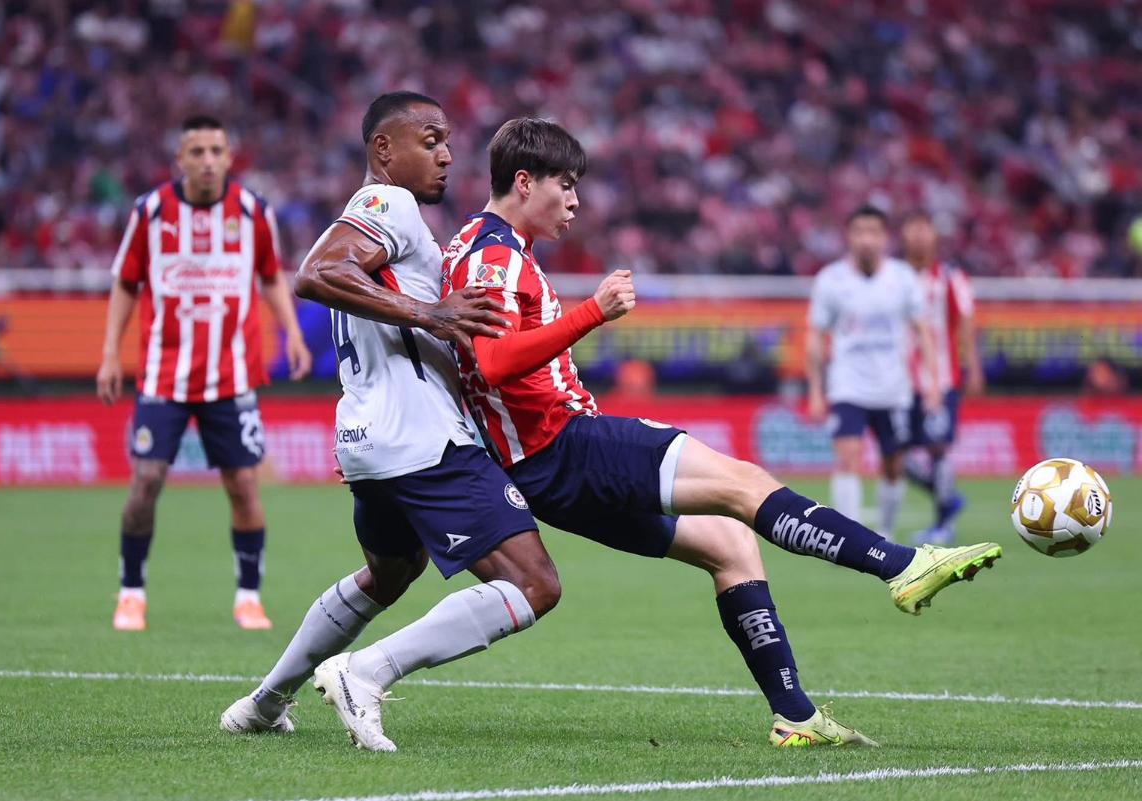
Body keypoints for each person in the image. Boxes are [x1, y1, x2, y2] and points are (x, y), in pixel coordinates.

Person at [307, 118, 1003, 752]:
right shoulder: (493, 254)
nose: (575, 200)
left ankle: (795, 714)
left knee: (729, 545)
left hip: (543, 465)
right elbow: (491, 361)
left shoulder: (492, 248)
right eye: (565, 184)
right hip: (561, 446)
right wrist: (592, 313)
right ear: (524, 182)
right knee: (745, 485)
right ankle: (900, 564)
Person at [220, 92, 567, 750]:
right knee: (532, 582)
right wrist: (430, 313)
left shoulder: (398, 225)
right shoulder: (388, 203)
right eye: (430, 140)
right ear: (384, 149)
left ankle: (264, 702)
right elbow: (317, 273)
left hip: (369, 440)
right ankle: (366, 673)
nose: (447, 154)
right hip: (421, 439)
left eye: (447, 142)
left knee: (390, 572)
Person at [96, 115, 312, 632]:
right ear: (181, 160)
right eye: (198, 152)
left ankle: (248, 597)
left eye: (217, 150)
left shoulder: (252, 211)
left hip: (232, 377)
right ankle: (131, 592)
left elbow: (270, 277)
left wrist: (291, 332)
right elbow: (126, 283)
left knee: (243, 485)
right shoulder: (150, 213)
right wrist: (109, 353)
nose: (208, 161)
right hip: (163, 376)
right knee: (146, 481)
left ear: (230, 157)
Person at [806, 205, 940, 542]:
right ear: (849, 237)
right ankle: (849, 540)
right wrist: (816, 390)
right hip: (848, 386)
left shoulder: (902, 278)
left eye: (873, 232)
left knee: (893, 465)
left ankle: (885, 533)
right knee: (847, 458)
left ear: (884, 238)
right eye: (859, 231)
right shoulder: (831, 280)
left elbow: (923, 330)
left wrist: (933, 382)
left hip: (893, 389)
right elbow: (815, 336)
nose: (866, 239)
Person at [900, 212, 984, 544]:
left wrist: (973, 367)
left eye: (925, 229)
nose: (919, 235)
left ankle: (943, 523)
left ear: (934, 235)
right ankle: (948, 499)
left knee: (938, 448)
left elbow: (966, 323)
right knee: (899, 457)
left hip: (942, 379)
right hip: (898, 382)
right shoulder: (893, 276)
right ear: (904, 234)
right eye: (913, 228)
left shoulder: (950, 277)